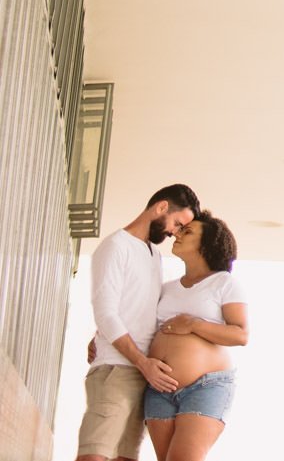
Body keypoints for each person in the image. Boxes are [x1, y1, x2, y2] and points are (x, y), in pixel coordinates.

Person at [77, 183, 201, 461]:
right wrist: (142, 363)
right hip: (118, 369)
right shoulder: (115, 246)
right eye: (177, 223)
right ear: (161, 207)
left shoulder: (153, 255)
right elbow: (106, 312)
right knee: (94, 455)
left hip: (142, 373)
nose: (174, 233)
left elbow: (135, 307)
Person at [143, 210, 248, 461]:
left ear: (208, 243)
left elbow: (240, 334)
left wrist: (193, 324)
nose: (177, 234)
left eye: (188, 232)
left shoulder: (224, 283)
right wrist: (101, 337)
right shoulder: (166, 288)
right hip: (159, 387)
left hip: (206, 386)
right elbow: (139, 324)